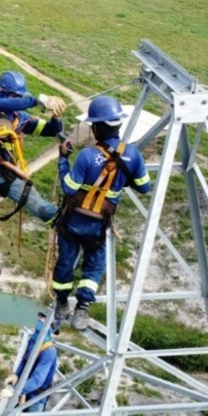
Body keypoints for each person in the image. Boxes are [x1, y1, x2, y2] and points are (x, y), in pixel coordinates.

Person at [53, 95, 152, 330]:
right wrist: (123, 178)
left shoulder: (87, 156)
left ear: (97, 127)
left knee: (66, 262)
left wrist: (63, 160)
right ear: (118, 125)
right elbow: (145, 187)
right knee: (94, 266)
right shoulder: (133, 155)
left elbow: (69, 187)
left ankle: (61, 303)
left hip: (72, 222)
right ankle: (82, 310)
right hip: (98, 226)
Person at [0, 71, 68, 297]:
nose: (16, 101)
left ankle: (69, 232)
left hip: (7, 174)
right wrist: (38, 100)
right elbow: (10, 103)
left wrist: (55, 116)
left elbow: (52, 130)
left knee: (41, 208)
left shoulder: (21, 119)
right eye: (13, 96)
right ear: (4, 93)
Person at [9, 313, 60, 416]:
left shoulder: (48, 352)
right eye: (40, 318)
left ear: (51, 328)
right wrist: (16, 374)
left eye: (44, 319)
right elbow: (25, 360)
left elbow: (37, 380)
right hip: (27, 389)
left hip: (36, 396)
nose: (39, 321)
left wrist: (14, 393)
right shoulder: (34, 340)